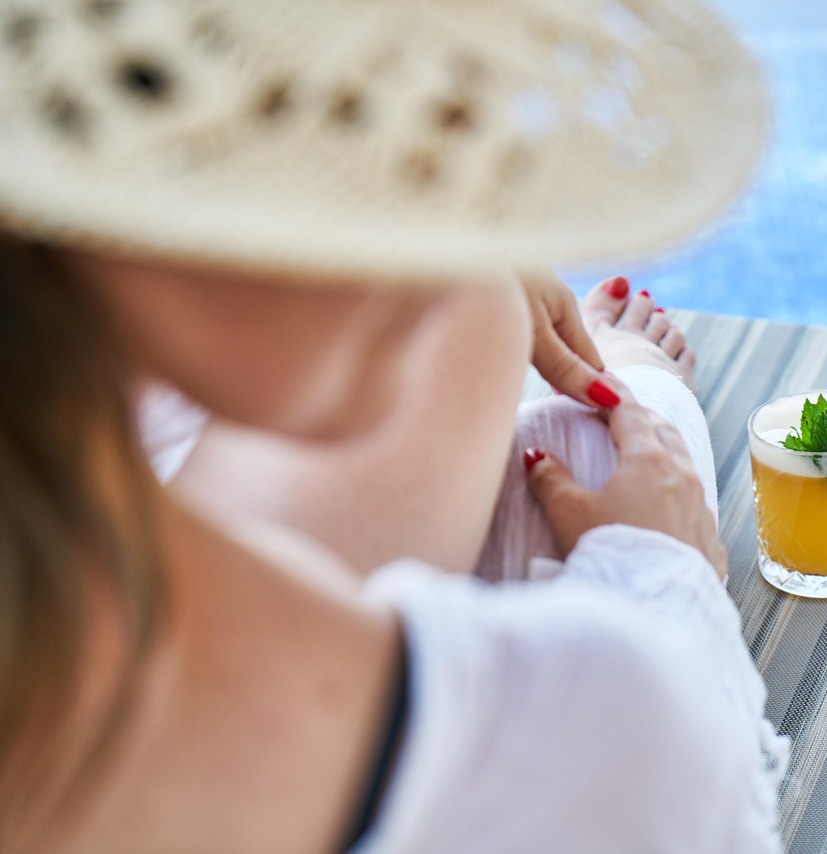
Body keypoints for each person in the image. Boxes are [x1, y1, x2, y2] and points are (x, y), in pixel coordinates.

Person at [0, 0, 784, 851]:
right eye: (358, 122)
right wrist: (667, 575)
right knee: (592, 441)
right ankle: (651, 408)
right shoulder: (613, 727)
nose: (478, 215)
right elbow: (700, 770)